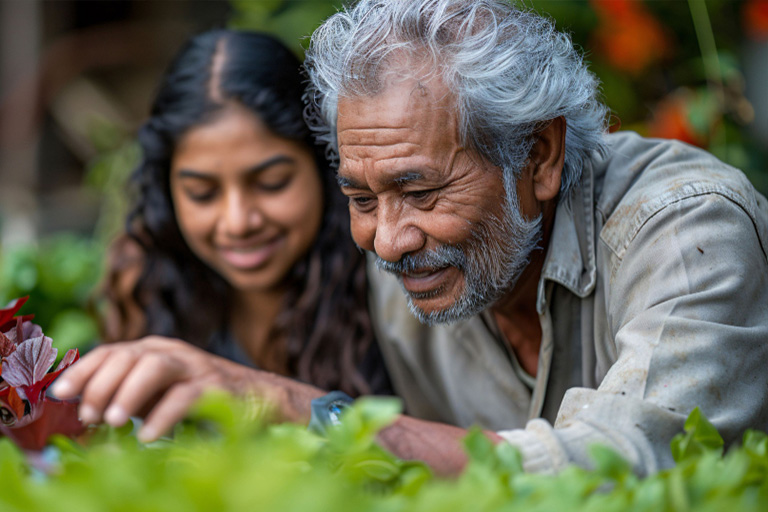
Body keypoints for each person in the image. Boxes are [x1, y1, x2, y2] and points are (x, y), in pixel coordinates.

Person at [55, 0, 768, 477]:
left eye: (422, 191)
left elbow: (623, 464)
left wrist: (306, 409)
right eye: (360, 199)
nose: (388, 241)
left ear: (540, 157)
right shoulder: (407, 273)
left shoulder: (683, 227)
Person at [78, 29, 391, 431]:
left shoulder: (388, 291)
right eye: (202, 193)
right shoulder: (146, 285)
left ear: (327, 167)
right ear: (167, 191)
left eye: (272, 183)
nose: (238, 222)